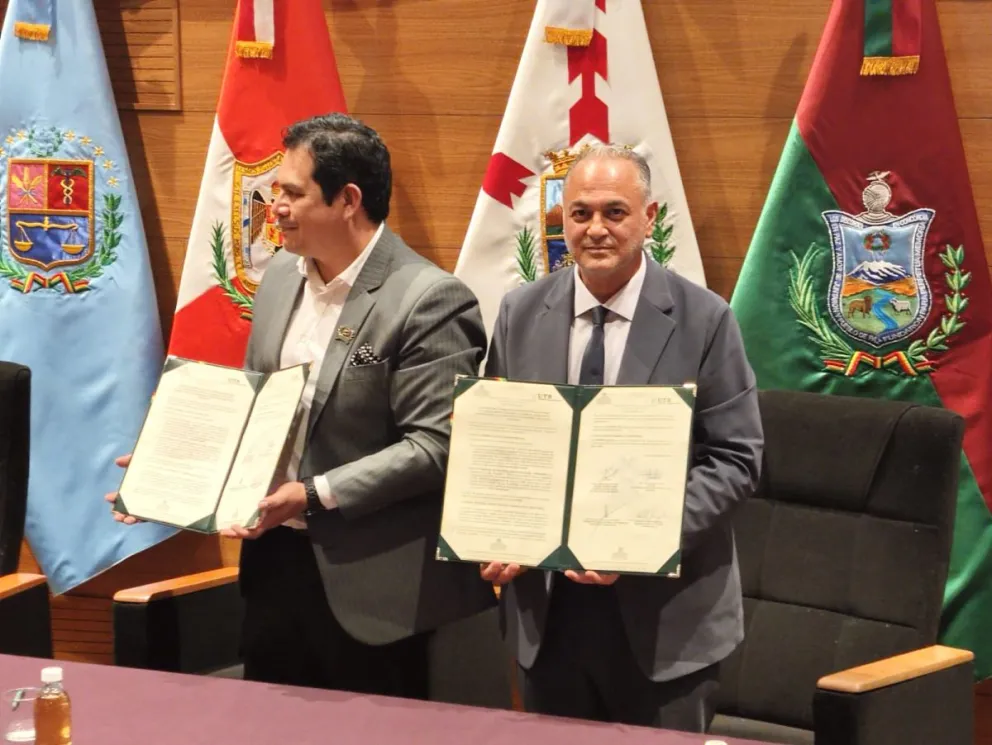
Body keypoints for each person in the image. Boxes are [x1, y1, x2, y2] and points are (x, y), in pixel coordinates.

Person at [109, 113, 496, 699]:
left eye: (291, 192)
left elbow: (435, 447)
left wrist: (314, 494)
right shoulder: (278, 282)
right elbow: (257, 412)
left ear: (348, 200)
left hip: (378, 593)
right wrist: (176, 475)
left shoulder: (429, 299)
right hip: (273, 573)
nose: (275, 207)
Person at [480, 144, 763, 731]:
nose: (596, 229)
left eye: (615, 212)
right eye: (580, 214)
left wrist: (636, 541)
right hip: (548, 617)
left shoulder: (706, 320)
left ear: (649, 218)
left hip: (664, 622)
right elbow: (501, 442)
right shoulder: (518, 312)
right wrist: (492, 527)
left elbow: (735, 460)